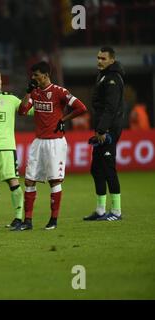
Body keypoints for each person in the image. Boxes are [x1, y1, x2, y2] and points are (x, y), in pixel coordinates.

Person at [18, 61, 87, 230]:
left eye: (36, 75)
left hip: (55, 143)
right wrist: (27, 93)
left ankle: (53, 220)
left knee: (54, 181)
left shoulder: (59, 92)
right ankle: (27, 221)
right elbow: (22, 111)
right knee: (29, 181)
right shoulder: (34, 93)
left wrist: (63, 120)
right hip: (38, 142)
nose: (33, 78)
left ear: (46, 75)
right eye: (32, 75)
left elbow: (81, 108)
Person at [0, 67, 33, 231]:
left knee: (13, 183)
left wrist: (31, 95)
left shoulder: (11, 99)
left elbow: (28, 110)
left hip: (6, 148)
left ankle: (18, 218)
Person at [84, 47, 125, 221]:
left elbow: (111, 107)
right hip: (102, 128)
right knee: (97, 169)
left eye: (103, 58)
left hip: (109, 130)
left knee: (108, 169)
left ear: (112, 60)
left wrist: (102, 130)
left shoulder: (113, 79)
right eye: (98, 58)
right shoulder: (102, 76)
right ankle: (101, 210)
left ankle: (116, 211)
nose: (99, 61)